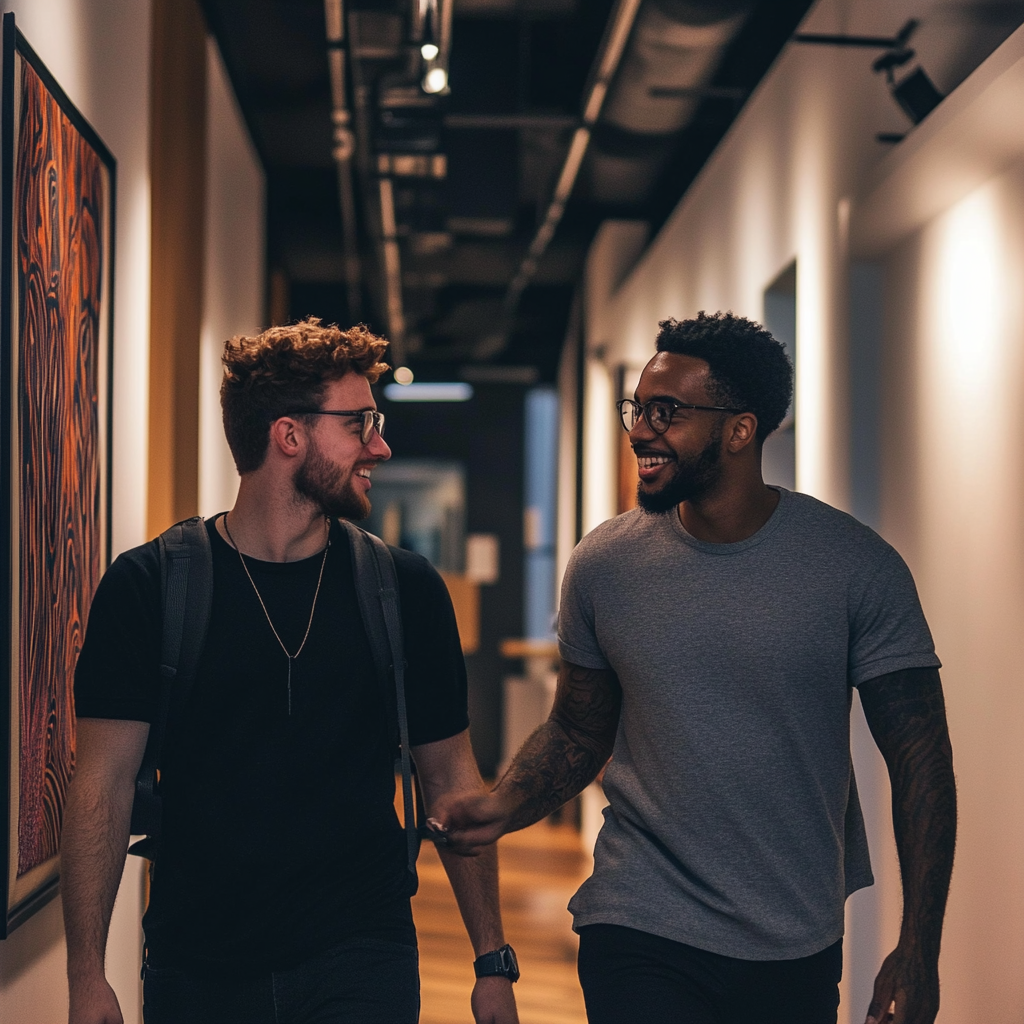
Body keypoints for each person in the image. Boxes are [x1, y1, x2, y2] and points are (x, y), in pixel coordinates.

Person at [438, 311, 956, 1024]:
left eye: (666, 412)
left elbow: (921, 761)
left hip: (791, 936)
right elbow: (577, 732)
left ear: (739, 431)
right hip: (638, 917)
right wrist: (502, 806)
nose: (639, 430)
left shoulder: (855, 567)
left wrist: (919, 948)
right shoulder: (605, 564)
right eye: (638, 409)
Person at [61, 318, 520, 1024]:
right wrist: (87, 975)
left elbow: (451, 779)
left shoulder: (404, 590)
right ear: (289, 436)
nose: (381, 445)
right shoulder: (148, 587)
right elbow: (100, 786)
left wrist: (491, 959)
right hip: (197, 961)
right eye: (360, 422)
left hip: (362, 953)